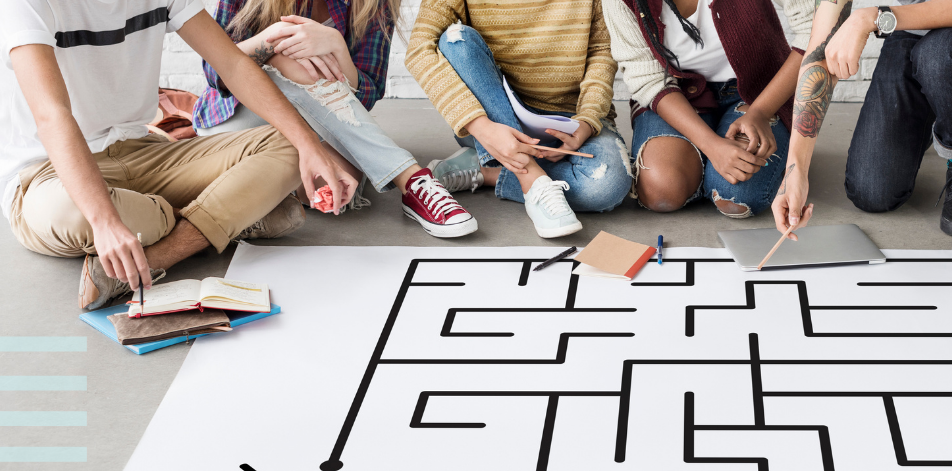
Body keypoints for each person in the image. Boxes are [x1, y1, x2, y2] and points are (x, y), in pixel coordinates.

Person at [2, 0, 356, 311]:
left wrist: (310, 145)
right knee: (71, 214)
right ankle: (232, 212)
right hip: (50, 170)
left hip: (143, 151)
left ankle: (165, 250)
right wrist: (106, 223)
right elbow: (52, 114)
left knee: (290, 145)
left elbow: (232, 65)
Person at [194, 0, 477, 238]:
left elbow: (365, 95)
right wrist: (274, 40)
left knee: (340, 187)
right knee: (288, 59)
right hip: (240, 117)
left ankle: (263, 197)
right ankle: (412, 180)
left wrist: (337, 47)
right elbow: (215, 71)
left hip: (313, 117)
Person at [773, 0, 952, 239]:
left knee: (940, 55)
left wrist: (868, 18)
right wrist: (794, 172)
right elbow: (821, 47)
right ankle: (934, 109)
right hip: (918, 26)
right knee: (872, 192)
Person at [405, 0, 634, 239]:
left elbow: (602, 51)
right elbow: (419, 49)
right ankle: (531, 178)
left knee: (607, 186)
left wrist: (587, 119)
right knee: (455, 39)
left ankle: (487, 170)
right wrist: (483, 128)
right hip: (494, 118)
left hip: (569, 118)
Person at [602, 0, 816, 219]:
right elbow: (646, 77)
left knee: (736, 197)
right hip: (674, 94)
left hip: (757, 91)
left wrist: (761, 111)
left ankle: (769, 151)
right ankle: (702, 160)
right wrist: (712, 146)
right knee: (662, 191)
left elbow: (817, 28)